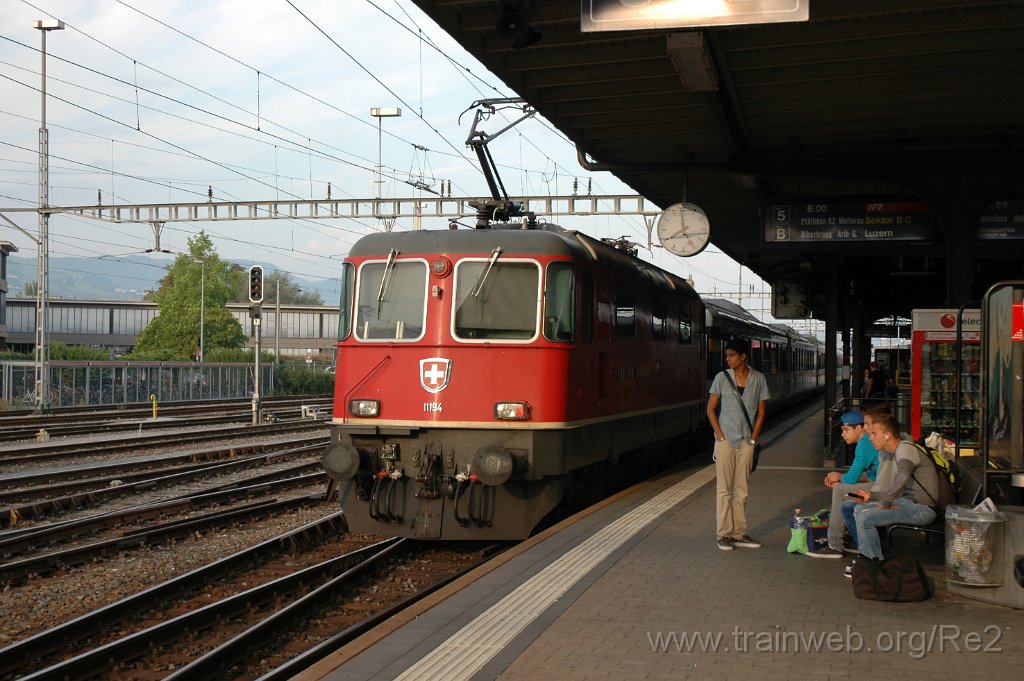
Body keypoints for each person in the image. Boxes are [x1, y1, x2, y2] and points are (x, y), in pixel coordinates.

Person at [842, 412, 940, 576]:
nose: (870, 438)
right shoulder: (897, 451)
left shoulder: (905, 448)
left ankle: (872, 565)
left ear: (887, 435)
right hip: (908, 502)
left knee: (866, 517)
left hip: (922, 508)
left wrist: (885, 503)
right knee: (858, 509)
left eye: (874, 433)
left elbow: (902, 476)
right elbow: (898, 489)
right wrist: (870, 496)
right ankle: (871, 559)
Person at [706, 337, 770, 551]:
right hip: (725, 441)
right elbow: (710, 409)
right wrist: (719, 435)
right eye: (727, 356)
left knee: (742, 490)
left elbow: (761, 412)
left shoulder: (759, 379)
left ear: (743, 356)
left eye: (732, 355)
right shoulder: (721, 378)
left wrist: (753, 440)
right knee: (724, 489)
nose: (728, 359)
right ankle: (723, 535)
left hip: (745, 442)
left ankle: (739, 534)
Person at [810, 410, 879, 558]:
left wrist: (839, 478)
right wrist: (841, 478)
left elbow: (852, 478)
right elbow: (871, 474)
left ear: (858, 428)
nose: (842, 434)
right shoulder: (867, 441)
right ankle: (856, 539)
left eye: (846, 430)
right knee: (843, 491)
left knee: (840, 491)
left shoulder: (865, 443)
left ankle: (835, 544)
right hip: (881, 484)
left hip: (882, 489)